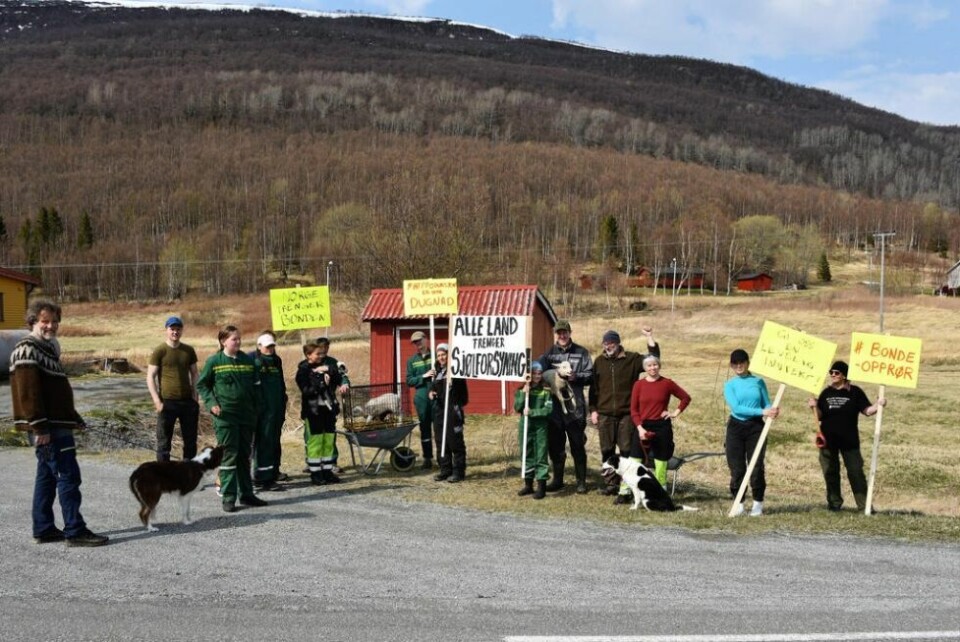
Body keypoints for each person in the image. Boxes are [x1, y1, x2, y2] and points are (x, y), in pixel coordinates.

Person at [9, 299, 109, 546]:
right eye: (45, 321)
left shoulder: (48, 349)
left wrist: (73, 417)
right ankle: (75, 530)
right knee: (68, 476)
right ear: (33, 321)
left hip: (57, 424)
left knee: (47, 477)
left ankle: (43, 528)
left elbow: (55, 393)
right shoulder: (27, 348)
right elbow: (28, 393)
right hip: (47, 429)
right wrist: (40, 427)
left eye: (54, 321)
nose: (50, 326)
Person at [197, 325, 267, 513]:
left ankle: (247, 494)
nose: (238, 341)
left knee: (244, 455)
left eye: (239, 338)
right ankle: (229, 497)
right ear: (223, 341)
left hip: (247, 416)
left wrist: (257, 409)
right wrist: (212, 403)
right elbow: (202, 385)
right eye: (234, 339)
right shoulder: (215, 361)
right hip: (225, 416)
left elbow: (257, 386)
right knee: (229, 455)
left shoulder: (248, 360)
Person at [588, 327, 659, 495]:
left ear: (618, 343)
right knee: (607, 450)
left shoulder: (632, 359)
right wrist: (593, 410)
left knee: (627, 450)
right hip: (604, 414)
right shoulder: (599, 361)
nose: (608, 345)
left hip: (627, 414)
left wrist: (649, 337)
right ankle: (611, 485)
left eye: (612, 342)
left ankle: (626, 486)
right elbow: (594, 388)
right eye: (606, 343)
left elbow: (654, 357)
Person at [808, 360, 886, 513]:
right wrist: (814, 406)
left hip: (849, 441)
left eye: (836, 373)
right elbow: (819, 416)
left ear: (844, 375)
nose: (833, 375)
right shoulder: (826, 393)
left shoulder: (855, 392)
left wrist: (879, 404)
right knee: (830, 472)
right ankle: (834, 504)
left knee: (856, 472)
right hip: (827, 441)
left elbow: (867, 411)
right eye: (831, 373)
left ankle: (864, 506)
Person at [537, 319, 593, 494]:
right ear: (556, 334)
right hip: (554, 408)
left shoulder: (581, 352)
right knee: (556, 445)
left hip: (575, 407)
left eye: (565, 332)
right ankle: (558, 480)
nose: (562, 335)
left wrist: (578, 377)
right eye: (559, 333)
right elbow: (538, 370)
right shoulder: (549, 354)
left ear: (570, 333)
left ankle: (581, 482)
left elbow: (591, 376)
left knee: (577, 444)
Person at [625, 354, 691, 500]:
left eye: (655, 365)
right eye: (649, 365)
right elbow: (634, 410)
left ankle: (660, 491)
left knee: (661, 460)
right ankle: (627, 491)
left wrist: (675, 413)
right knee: (635, 458)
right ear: (645, 368)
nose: (652, 368)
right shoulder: (639, 385)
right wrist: (640, 428)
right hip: (642, 425)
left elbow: (685, 398)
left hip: (662, 426)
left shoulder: (667, 383)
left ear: (659, 366)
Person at [723, 348, 779, 517]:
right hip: (735, 428)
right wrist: (762, 412)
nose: (739, 366)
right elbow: (737, 408)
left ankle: (757, 504)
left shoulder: (758, 381)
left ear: (748, 362)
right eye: (735, 363)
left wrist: (771, 410)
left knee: (756, 467)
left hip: (756, 428)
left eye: (742, 362)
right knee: (737, 468)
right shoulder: (729, 385)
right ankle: (738, 503)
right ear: (732, 365)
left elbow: (766, 403)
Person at [147, 315, 200, 462]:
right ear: (167, 330)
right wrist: (157, 401)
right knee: (164, 442)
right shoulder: (160, 350)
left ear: (182, 330)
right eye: (172, 329)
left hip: (187, 402)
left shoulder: (188, 350)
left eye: (178, 329)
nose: (175, 332)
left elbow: (195, 373)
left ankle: (189, 476)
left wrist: (196, 396)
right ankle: (164, 477)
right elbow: (150, 376)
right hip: (167, 402)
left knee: (190, 442)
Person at [296, 338, 344, 485]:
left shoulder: (324, 366)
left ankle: (327, 471)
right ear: (308, 355)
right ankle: (316, 473)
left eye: (322, 353)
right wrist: (322, 383)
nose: (321, 356)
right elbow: (306, 391)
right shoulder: (303, 371)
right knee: (315, 442)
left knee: (328, 440)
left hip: (328, 411)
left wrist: (328, 370)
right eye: (317, 354)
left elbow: (339, 374)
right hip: (313, 411)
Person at [249, 331, 287, 491]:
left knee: (272, 442)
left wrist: (283, 399)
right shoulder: (253, 360)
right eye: (267, 347)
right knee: (262, 443)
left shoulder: (276, 360)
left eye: (272, 346)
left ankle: (271, 474)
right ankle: (262, 479)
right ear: (259, 346)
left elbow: (281, 382)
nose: (270, 349)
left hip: (276, 409)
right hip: (262, 411)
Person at [428, 343, 469, 483]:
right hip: (439, 412)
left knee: (454, 441)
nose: (441, 357)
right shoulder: (437, 372)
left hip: (453, 411)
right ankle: (445, 470)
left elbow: (464, 396)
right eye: (439, 355)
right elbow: (432, 390)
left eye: (443, 354)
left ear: (448, 355)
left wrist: (454, 384)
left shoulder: (456, 371)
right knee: (441, 441)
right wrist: (431, 393)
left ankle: (459, 472)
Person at [514, 362, 553, 499]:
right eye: (534, 373)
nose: (537, 376)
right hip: (525, 425)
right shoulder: (522, 389)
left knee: (541, 455)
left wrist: (532, 412)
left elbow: (548, 410)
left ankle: (541, 487)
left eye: (539, 373)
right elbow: (517, 407)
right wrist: (523, 394)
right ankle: (528, 485)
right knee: (526, 454)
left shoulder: (546, 390)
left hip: (540, 427)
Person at [405, 330, 435, 470]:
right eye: (415, 343)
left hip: (436, 395)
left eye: (420, 341)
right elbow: (409, 381)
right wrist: (423, 376)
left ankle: (443, 457)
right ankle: (427, 458)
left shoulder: (436, 356)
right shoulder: (412, 361)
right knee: (425, 428)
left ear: (426, 339)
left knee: (440, 427)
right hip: (421, 397)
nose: (418, 344)